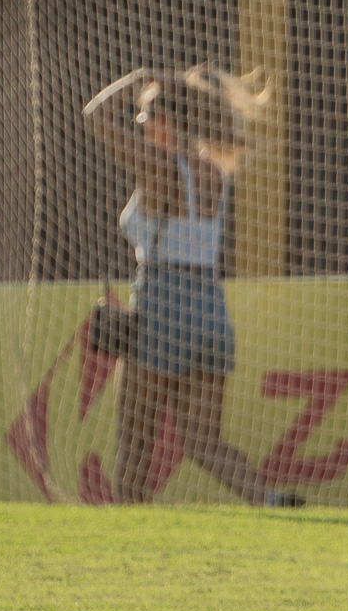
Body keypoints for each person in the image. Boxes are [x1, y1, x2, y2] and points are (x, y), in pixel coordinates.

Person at [82, 65, 299, 508]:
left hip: (164, 302)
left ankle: (128, 538)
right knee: (203, 441)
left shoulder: (162, 165)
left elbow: (94, 116)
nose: (139, 127)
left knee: (135, 441)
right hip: (211, 310)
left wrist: (136, 78)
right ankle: (270, 500)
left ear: (166, 121)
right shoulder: (215, 169)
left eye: (144, 119)